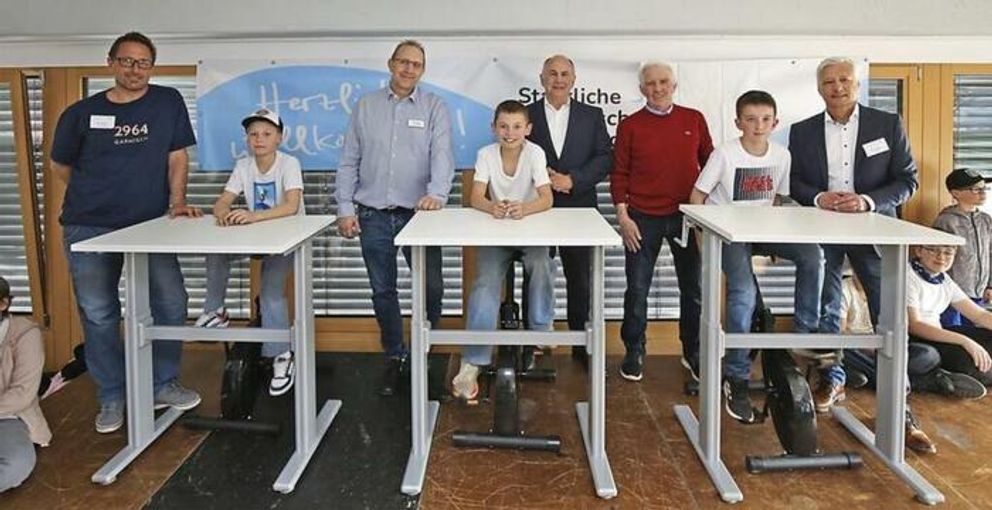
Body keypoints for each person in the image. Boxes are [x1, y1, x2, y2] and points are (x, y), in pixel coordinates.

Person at [50, 32, 202, 434]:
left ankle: (162, 383)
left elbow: (177, 156)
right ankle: (113, 394)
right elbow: (61, 167)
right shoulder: (80, 113)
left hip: (151, 225)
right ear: (111, 63)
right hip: (88, 226)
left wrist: (177, 202)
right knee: (99, 313)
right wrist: (99, 193)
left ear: (152, 66)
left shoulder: (168, 101)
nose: (134, 69)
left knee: (171, 301)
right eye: (126, 61)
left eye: (143, 62)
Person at [789, 56, 918, 412]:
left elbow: (907, 180)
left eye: (844, 80)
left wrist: (866, 201)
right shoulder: (802, 131)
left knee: (887, 307)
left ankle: (898, 388)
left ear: (857, 85)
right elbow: (795, 182)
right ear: (819, 89)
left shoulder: (887, 124)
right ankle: (832, 380)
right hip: (824, 227)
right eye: (829, 82)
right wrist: (818, 197)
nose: (837, 87)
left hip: (874, 228)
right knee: (828, 306)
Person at [689, 90, 824, 423]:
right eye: (750, 119)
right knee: (744, 294)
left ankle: (807, 335)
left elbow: (779, 199)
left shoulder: (781, 154)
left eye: (765, 119)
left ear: (775, 122)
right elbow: (697, 197)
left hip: (763, 231)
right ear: (738, 123)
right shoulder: (724, 154)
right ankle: (736, 375)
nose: (758, 125)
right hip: (728, 235)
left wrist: (777, 240)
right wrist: (702, 238)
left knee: (813, 256)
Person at [335, 40, 455, 396]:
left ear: (423, 70)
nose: (408, 69)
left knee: (432, 285)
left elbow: (443, 156)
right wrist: (344, 208)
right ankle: (396, 355)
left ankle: (425, 345)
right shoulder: (366, 106)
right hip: (372, 215)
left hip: (420, 215)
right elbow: (348, 159)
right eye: (403, 62)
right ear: (390, 64)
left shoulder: (434, 106)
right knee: (383, 290)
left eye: (416, 64)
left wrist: (438, 195)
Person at [611, 61, 713, 382]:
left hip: (687, 218)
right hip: (642, 219)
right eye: (651, 84)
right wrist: (623, 217)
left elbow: (710, 165)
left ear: (674, 84)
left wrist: (705, 215)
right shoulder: (630, 125)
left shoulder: (693, 119)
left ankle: (692, 351)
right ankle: (634, 349)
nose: (658, 88)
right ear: (642, 89)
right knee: (637, 288)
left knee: (693, 289)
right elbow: (619, 174)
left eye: (663, 82)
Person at [451, 100, 554, 399]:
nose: (510, 132)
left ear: (528, 129)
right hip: (496, 232)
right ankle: (474, 359)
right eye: (504, 126)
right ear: (494, 127)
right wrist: (491, 207)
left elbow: (547, 198)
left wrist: (526, 208)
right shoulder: (485, 154)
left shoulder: (535, 153)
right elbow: (476, 197)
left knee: (541, 264)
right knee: (484, 283)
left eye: (517, 126)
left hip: (530, 230)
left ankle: (539, 331)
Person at [196, 108, 303, 396]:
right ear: (247, 139)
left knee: (271, 294)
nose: (259, 139)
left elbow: (291, 206)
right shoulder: (243, 166)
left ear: (279, 138)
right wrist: (223, 213)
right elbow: (223, 200)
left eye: (267, 134)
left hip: (284, 240)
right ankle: (215, 310)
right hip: (255, 238)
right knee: (216, 252)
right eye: (253, 134)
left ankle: (280, 355)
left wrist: (254, 216)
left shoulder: (289, 163)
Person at [526, 54, 613, 366]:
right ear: (542, 79)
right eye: (552, 73)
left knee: (581, 279)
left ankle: (582, 344)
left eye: (565, 74)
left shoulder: (592, 115)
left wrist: (572, 180)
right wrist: (547, 180)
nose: (558, 79)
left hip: (579, 208)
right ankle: (533, 345)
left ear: (574, 80)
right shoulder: (526, 113)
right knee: (536, 274)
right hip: (536, 209)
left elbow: (605, 157)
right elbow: (516, 154)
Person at [0, 277, 51, 492]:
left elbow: (23, 394)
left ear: (3, 304)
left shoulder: (24, 333)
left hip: (8, 416)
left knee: (17, 463)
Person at [932, 168, 992, 327]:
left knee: (975, 333)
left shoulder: (986, 220)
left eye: (984, 188)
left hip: (978, 292)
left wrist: (989, 285)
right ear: (956, 193)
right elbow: (937, 257)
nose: (982, 193)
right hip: (952, 293)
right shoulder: (945, 221)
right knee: (954, 332)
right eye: (975, 189)